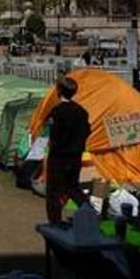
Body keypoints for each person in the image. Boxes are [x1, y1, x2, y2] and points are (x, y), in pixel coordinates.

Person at [45, 76, 91, 224]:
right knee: (73, 188)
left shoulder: (57, 112)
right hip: (76, 156)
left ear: (59, 91)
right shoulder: (82, 112)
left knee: (53, 191)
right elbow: (87, 131)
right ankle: (89, 211)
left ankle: (54, 223)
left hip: (59, 157)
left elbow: (53, 135)